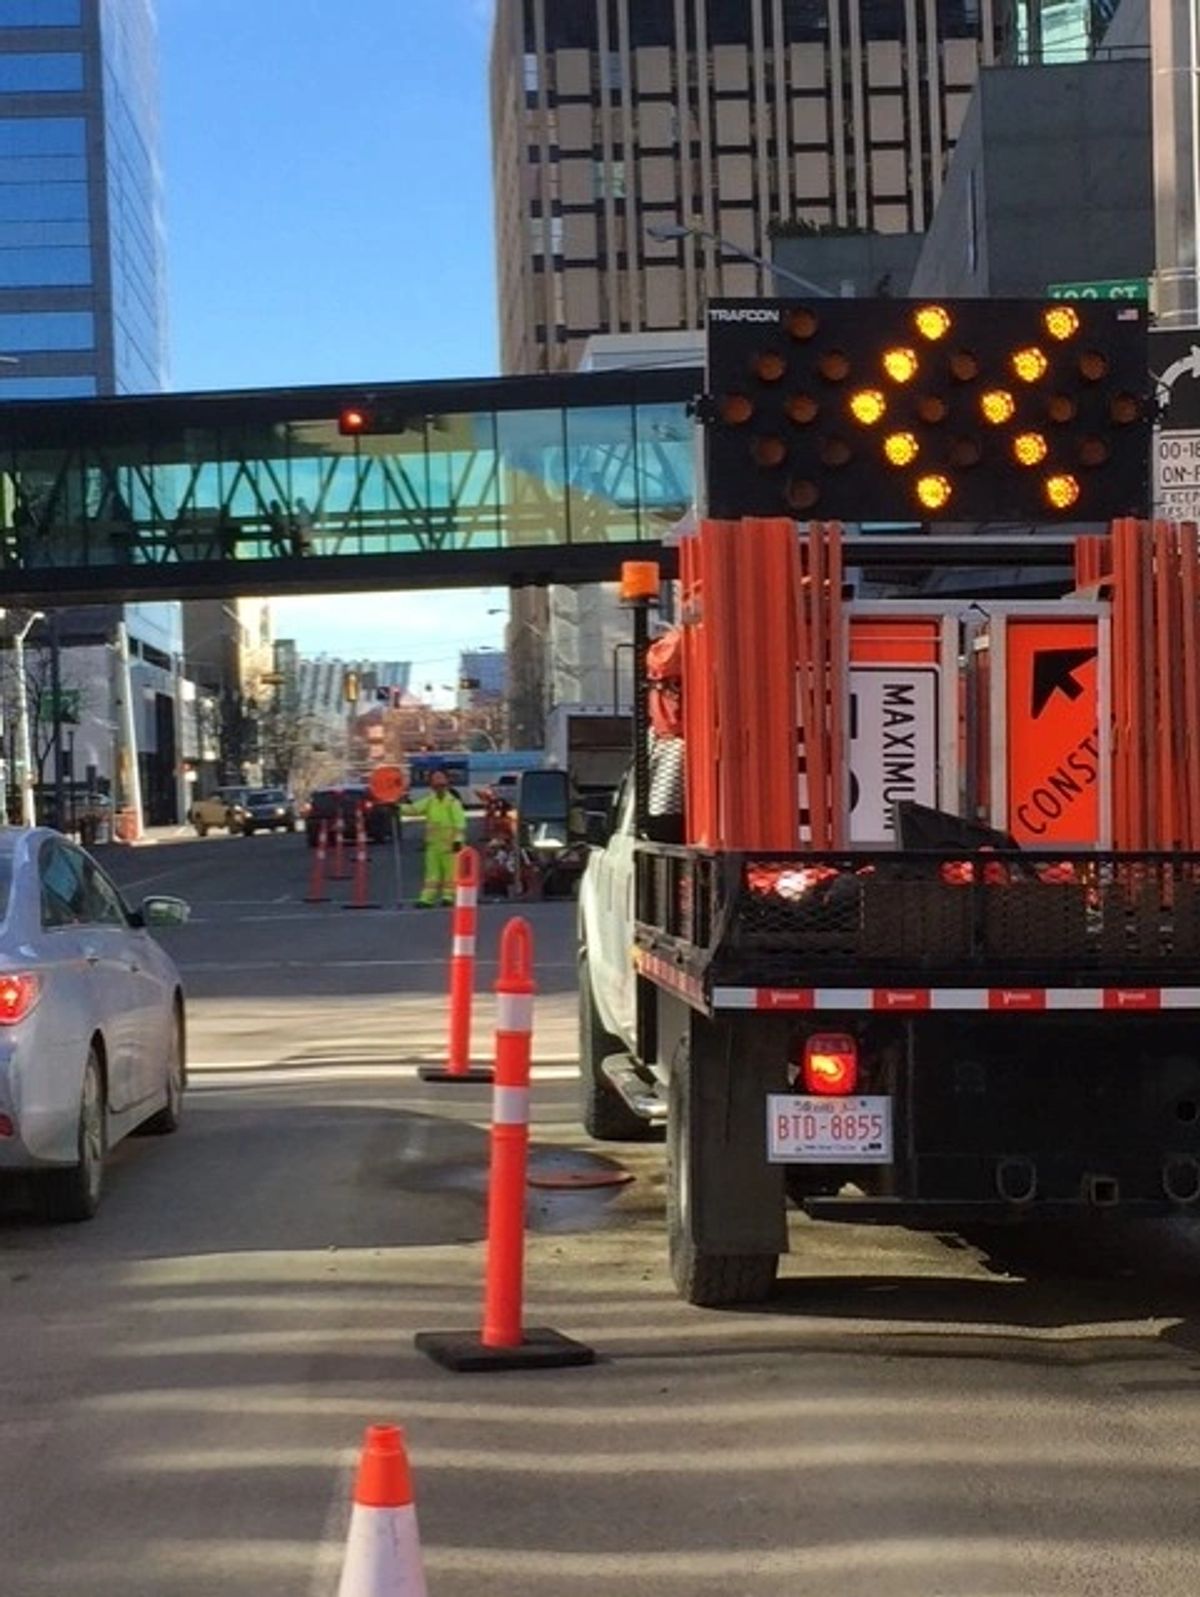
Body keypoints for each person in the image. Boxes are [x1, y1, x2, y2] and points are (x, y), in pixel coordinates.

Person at [399, 768, 467, 907]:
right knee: (431, 875)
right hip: (433, 845)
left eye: (440, 777)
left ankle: (449, 897)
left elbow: (460, 823)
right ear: (431, 783)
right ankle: (426, 899)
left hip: (450, 846)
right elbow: (414, 809)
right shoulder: (430, 800)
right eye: (435, 778)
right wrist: (397, 807)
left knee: (451, 873)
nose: (438, 781)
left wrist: (458, 841)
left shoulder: (453, 802)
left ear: (447, 781)